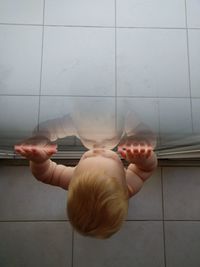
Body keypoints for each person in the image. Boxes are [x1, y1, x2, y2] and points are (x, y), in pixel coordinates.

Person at [14, 107, 158, 239]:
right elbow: (145, 170)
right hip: (116, 111)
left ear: (74, 180)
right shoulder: (127, 188)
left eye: (89, 156)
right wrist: (143, 155)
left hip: (86, 111)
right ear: (123, 181)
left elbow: (45, 175)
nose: (99, 149)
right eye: (109, 157)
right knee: (146, 136)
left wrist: (39, 158)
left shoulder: (73, 181)